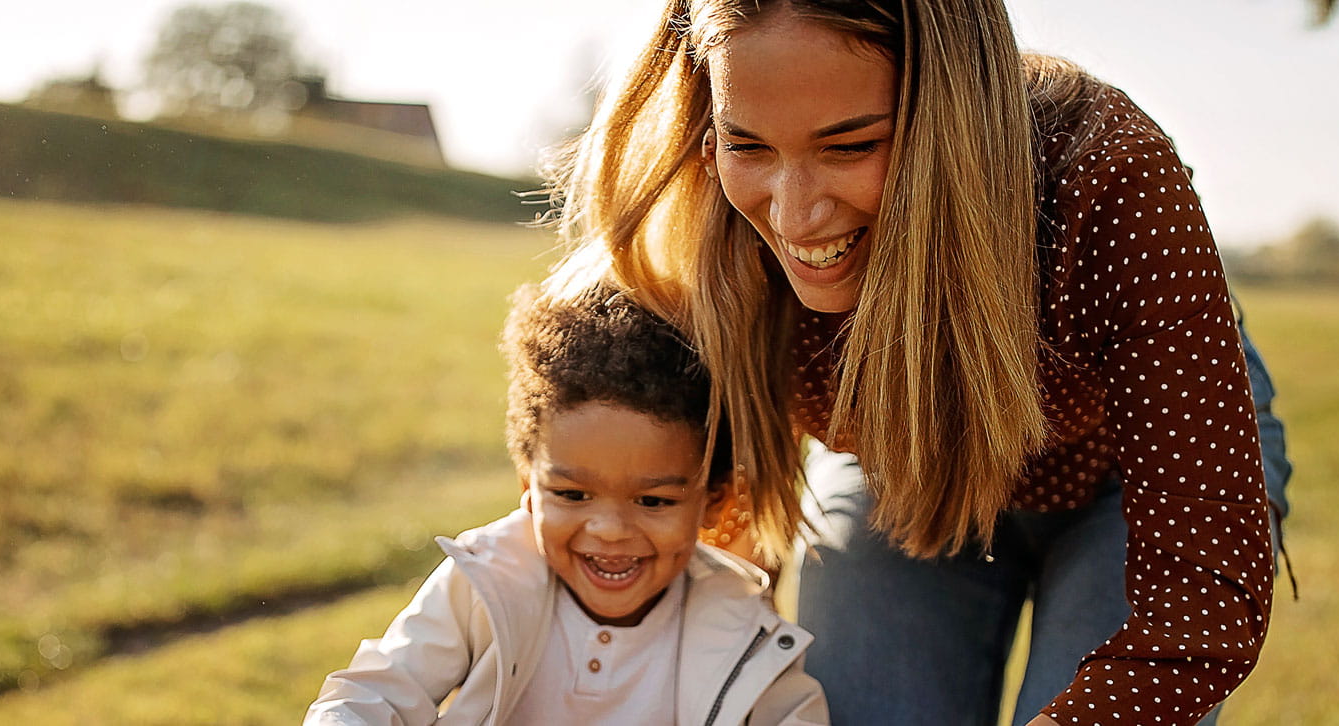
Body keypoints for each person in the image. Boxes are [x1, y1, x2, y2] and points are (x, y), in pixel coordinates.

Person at [540, 0, 1293, 724]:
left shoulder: (1111, 174)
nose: (795, 216)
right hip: (901, 469)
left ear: (947, 120)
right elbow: (677, 514)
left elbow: (1199, 609)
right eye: (749, 145)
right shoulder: (705, 223)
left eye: (851, 146)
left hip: (1122, 474)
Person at [303, 282, 828, 726]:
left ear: (712, 504)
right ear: (528, 486)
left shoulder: (739, 626)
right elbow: (375, 694)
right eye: (572, 495)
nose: (609, 530)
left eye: (653, 500)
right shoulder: (487, 582)